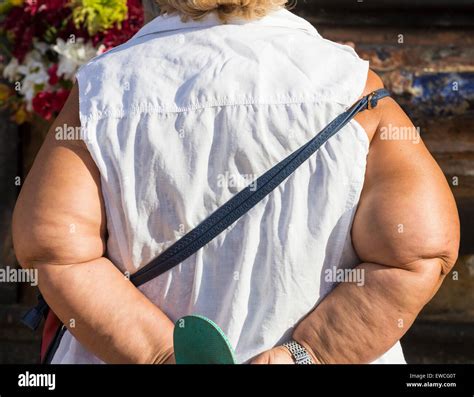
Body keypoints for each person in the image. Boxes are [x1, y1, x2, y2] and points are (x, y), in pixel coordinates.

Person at [12, 0, 459, 364]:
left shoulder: (102, 91)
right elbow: (419, 249)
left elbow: (54, 247)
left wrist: (163, 354)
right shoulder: (354, 88)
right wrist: (313, 354)